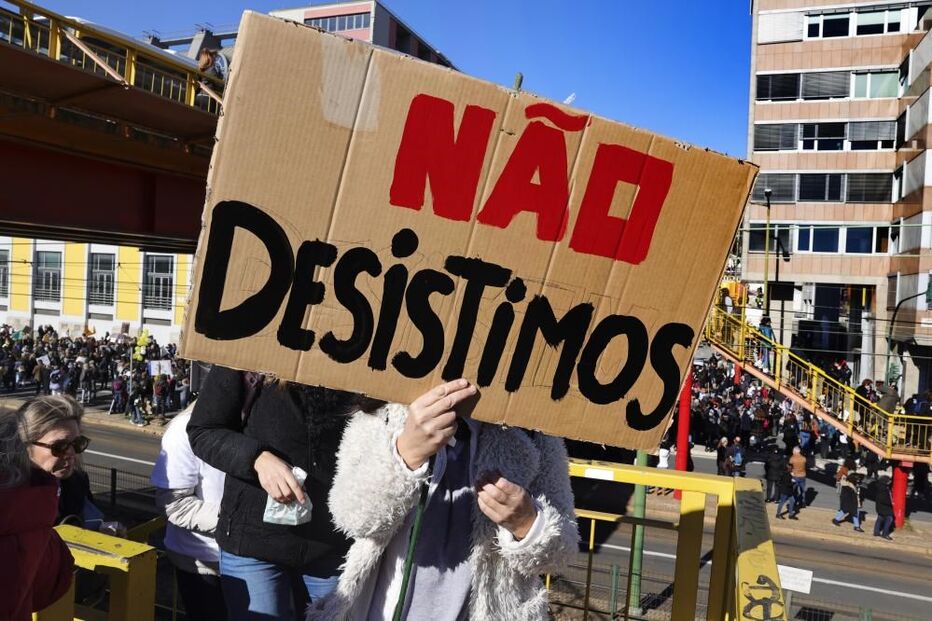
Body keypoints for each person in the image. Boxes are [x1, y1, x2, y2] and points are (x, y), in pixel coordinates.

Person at [305, 379, 578, 620]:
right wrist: (406, 454)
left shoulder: (534, 433)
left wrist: (526, 523)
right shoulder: (382, 412)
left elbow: (561, 551)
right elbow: (351, 517)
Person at [188, 366, 357, 620]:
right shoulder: (249, 357)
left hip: (330, 544)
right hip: (253, 544)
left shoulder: (364, 362)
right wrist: (257, 458)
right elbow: (203, 430)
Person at [0, 396, 79, 619]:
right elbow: (49, 586)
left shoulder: (36, 505)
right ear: (24, 444)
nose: (71, 453)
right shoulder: (28, 507)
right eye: (60, 446)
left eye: (78, 444)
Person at [152, 406, 227, 621]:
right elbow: (174, 503)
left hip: (251, 556)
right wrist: (238, 522)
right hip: (204, 561)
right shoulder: (184, 428)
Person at [873, 475, 894, 540]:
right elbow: (884, 499)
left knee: (880, 518)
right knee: (889, 518)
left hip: (879, 506)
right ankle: (885, 534)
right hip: (885, 507)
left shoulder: (879, 486)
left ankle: (876, 532)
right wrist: (891, 503)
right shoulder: (884, 489)